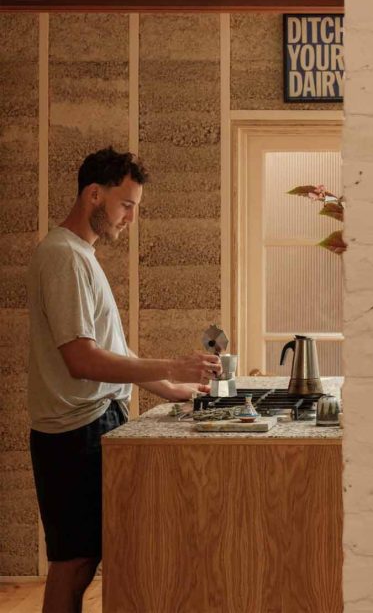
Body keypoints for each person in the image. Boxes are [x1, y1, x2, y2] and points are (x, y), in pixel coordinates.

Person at [26, 146, 222, 613]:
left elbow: (115, 354)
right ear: (95, 194)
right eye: (126, 205)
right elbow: (83, 360)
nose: (130, 219)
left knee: (86, 557)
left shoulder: (82, 256)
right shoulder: (63, 257)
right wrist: (170, 367)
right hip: (74, 432)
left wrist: (176, 390)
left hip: (94, 424)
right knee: (73, 563)